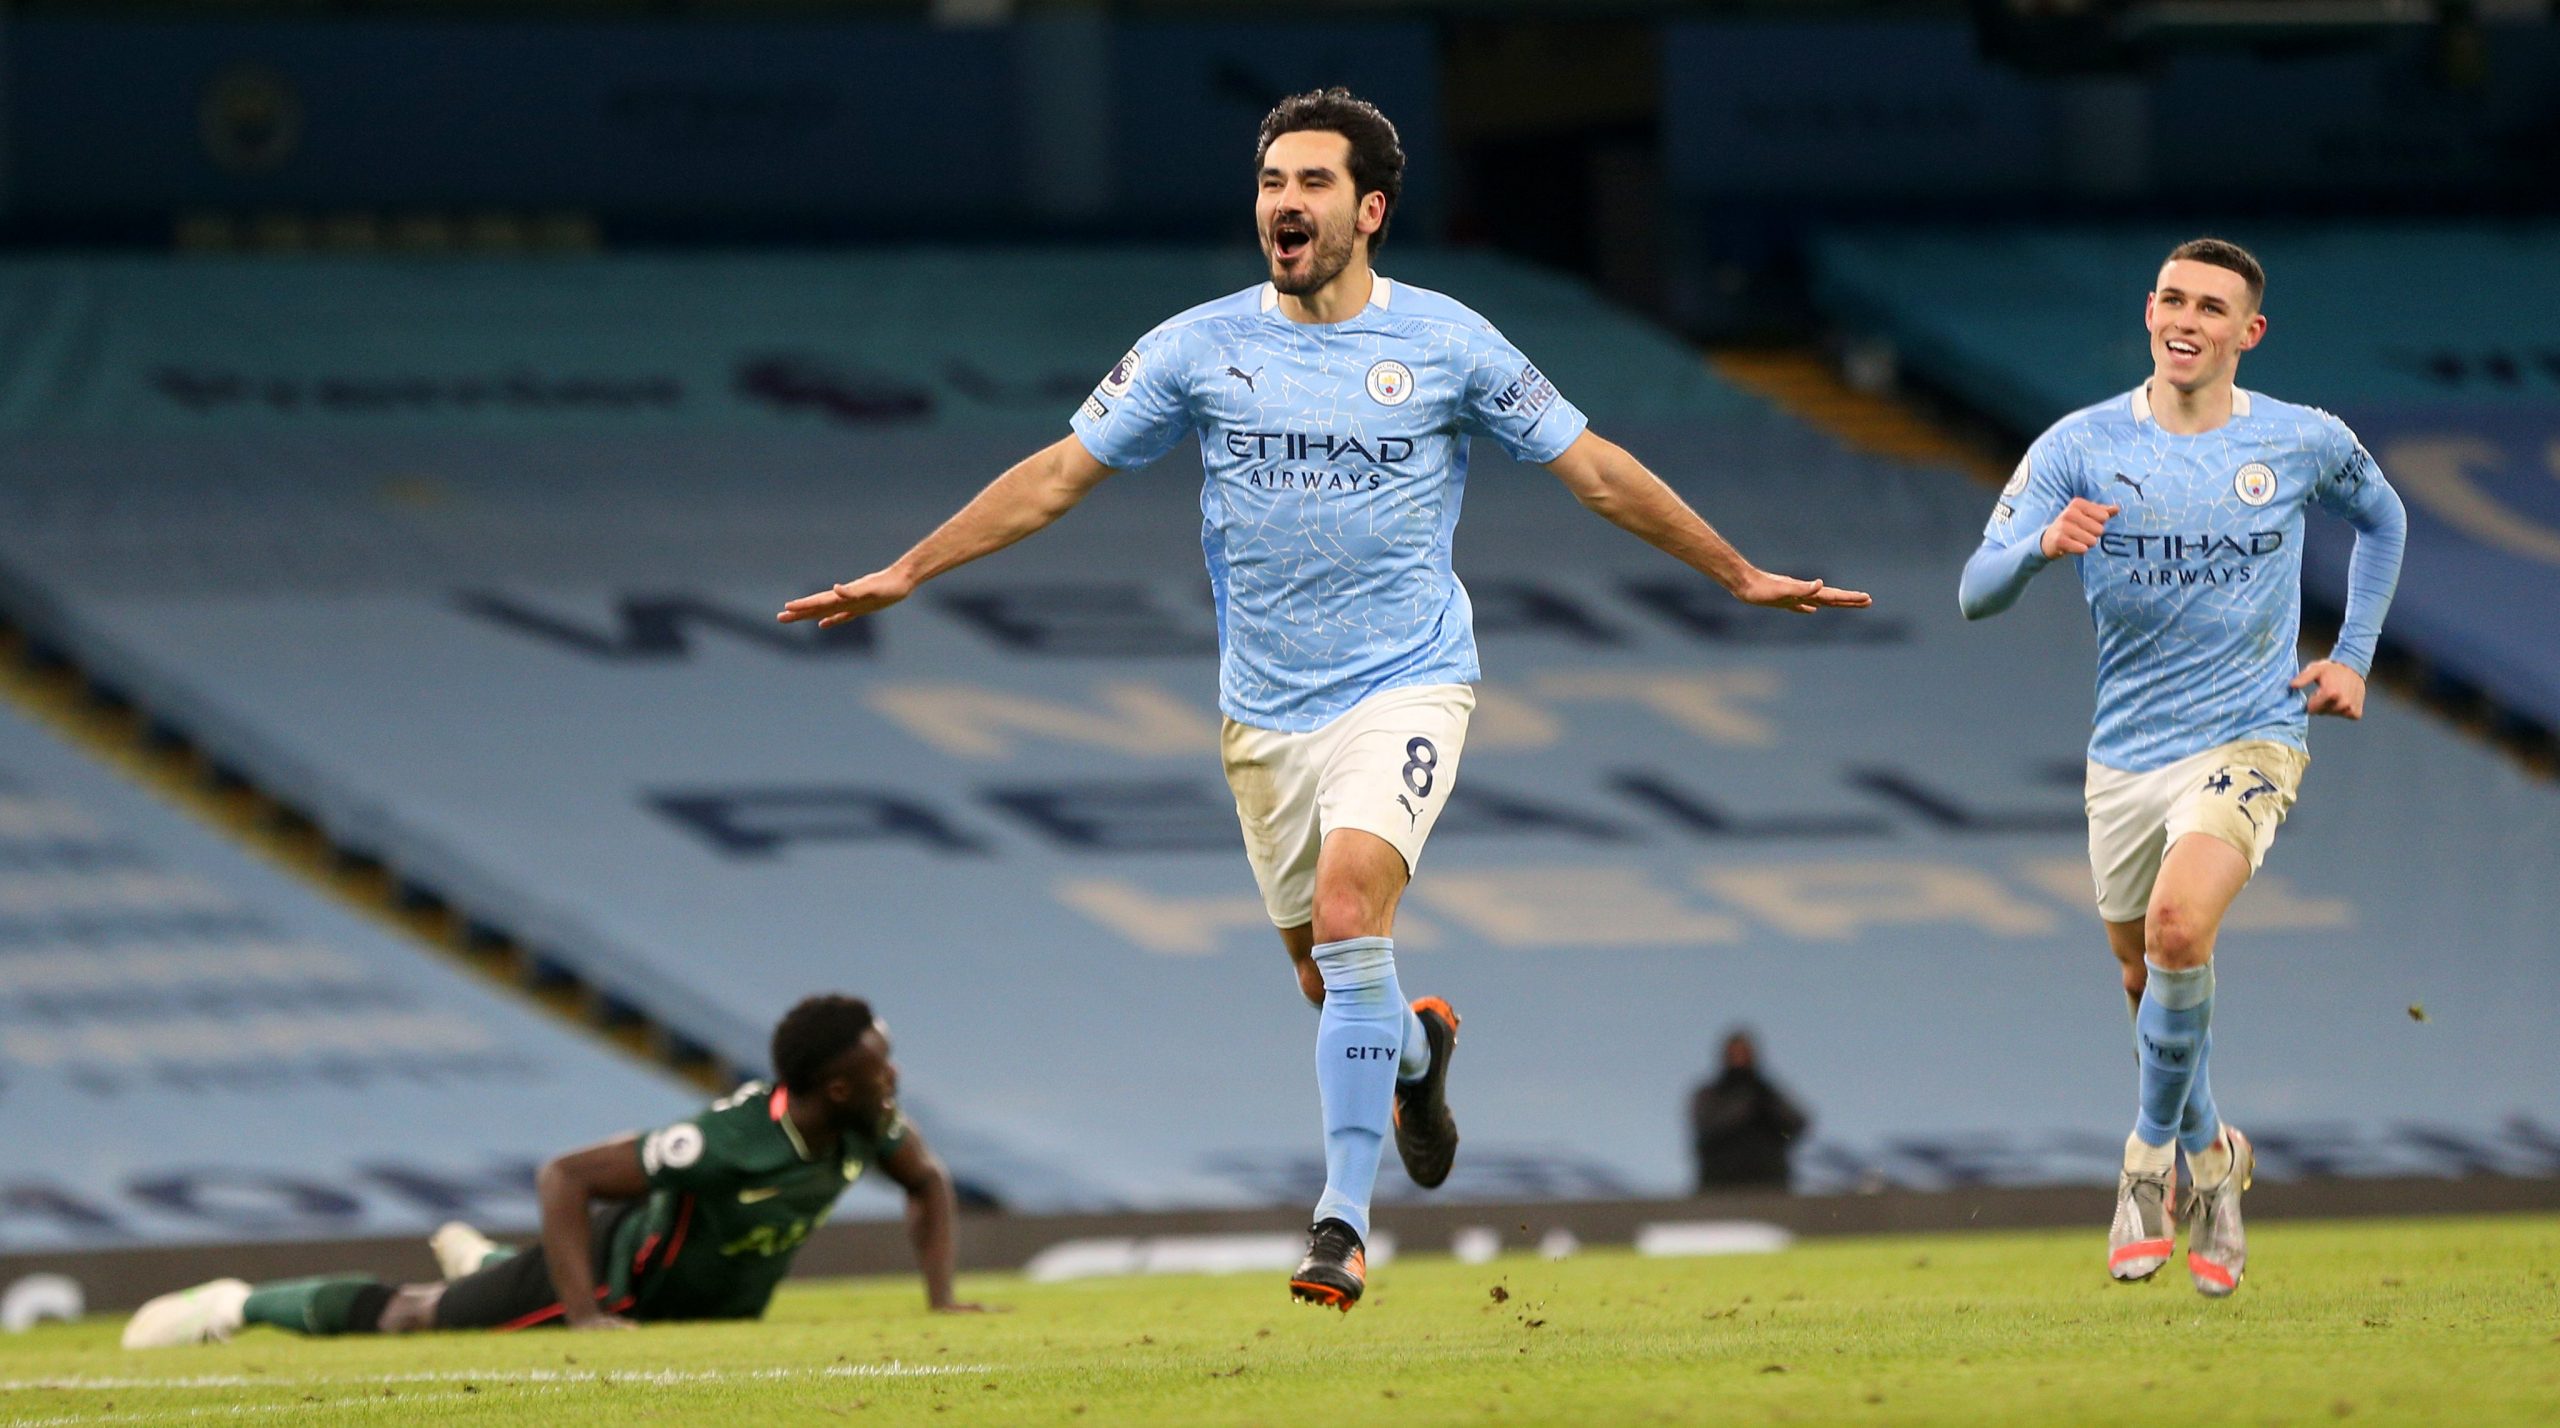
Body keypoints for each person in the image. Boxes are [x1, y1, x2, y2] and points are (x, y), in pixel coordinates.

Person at [780, 87, 1871, 1310]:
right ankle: (1417, 1052)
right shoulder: (1195, 347)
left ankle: (1341, 1225)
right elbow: (1053, 477)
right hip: (1263, 713)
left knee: (1353, 914)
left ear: (1371, 210)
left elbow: (1598, 472)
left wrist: (1736, 572)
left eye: (1310, 183)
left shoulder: (1450, 343)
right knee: (1330, 979)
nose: (1283, 205)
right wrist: (908, 570)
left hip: (1407, 684)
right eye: (1270, 183)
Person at [1958, 237, 2406, 1298]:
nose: (2185, 319)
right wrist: (2040, 547)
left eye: (2210, 306)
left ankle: (2143, 1167)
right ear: (2150, 312)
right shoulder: (2079, 445)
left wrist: (2351, 656)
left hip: (2252, 733)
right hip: (2126, 754)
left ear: (2249, 332)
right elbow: (1976, 589)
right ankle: (2212, 1156)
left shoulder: (2301, 440)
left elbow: (2383, 518)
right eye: (2171, 299)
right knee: (2141, 976)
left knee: (2174, 930)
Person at [122, 995, 980, 1347]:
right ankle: (233, 1304)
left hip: (704, 1314)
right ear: (837, 1086)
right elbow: (565, 1177)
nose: (895, 1077)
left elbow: (929, 1183)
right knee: (414, 1317)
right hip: (615, 1282)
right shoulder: (726, 1142)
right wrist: (585, 1313)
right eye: (881, 1066)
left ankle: (487, 1262)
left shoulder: (872, 1125)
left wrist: (940, 1298)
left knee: (479, 1286)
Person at [1688, 1030, 1811, 1192]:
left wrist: (1768, 1110)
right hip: (1720, 1182)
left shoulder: (1767, 1092)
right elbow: (1706, 1124)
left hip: (1768, 1181)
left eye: (1744, 1053)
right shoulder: (1711, 1093)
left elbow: (1796, 1123)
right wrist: (1743, 1107)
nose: (1739, 1059)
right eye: (1734, 1054)